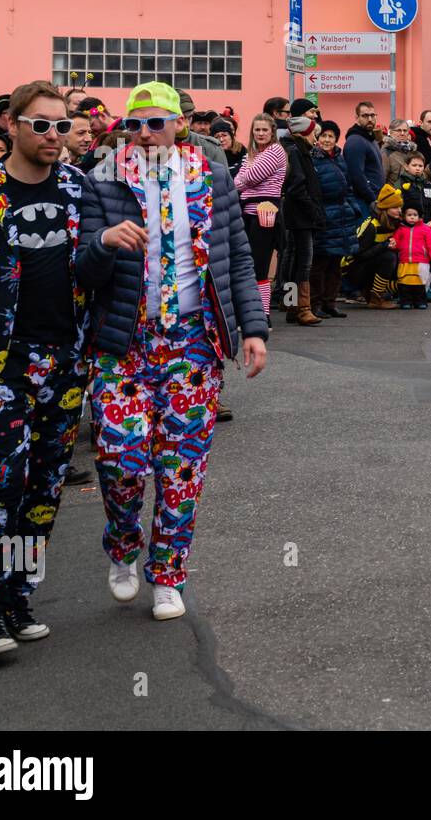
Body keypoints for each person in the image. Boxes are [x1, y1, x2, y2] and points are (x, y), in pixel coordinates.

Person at [77, 81, 267, 622]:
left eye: (155, 122)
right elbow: (84, 274)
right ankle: (123, 546)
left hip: (191, 339)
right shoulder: (103, 180)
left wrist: (253, 328)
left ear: (178, 125)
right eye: (133, 124)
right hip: (124, 340)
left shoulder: (211, 177)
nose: (143, 134)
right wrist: (103, 243)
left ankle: (167, 574)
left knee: (181, 467)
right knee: (119, 458)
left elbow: (238, 259)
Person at [0, 81, 91, 656]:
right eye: (42, 125)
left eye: (62, 125)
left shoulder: (81, 189)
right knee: (2, 481)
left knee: (45, 487)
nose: (54, 135)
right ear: (11, 125)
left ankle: (19, 595)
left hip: (66, 363)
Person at [233, 113, 287, 319]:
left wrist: (238, 183)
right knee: (247, 265)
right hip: (247, 213)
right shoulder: (250, 154)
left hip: (265, 213)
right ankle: (250, 312)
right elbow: (242, 178)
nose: (261, 133)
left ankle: (263, 315)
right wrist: (241, 181)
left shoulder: (275, 151)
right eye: (257, 130)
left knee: (259, 266)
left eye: (265, 130)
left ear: (272, 132)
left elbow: (249, 178)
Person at [309, 120, 361, 319]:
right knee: (319, 263)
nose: (327, 139)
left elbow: (347, 187)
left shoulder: (339, 158)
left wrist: (353, 207)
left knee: (335, 264)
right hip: (324, 215)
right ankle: (315, 304)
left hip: (341, 215)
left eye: (331, 136)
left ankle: (330, 303)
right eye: (323, 135)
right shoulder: (313, 159)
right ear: (317, 137)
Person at [279, 115, 326, 326]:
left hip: (297, 216)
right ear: (303, 134)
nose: (316, 139)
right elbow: (297, 186)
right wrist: (314, 210)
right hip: (301, 217)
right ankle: (303, 309)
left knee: (295, 261)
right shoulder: (297, 153)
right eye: (314, 134)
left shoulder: (296, 151)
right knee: (303, 263)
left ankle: (292, 306)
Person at [389, 204, 431, 309]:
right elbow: (397, 242)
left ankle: (420, 301)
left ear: (420, 217)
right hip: (404, 261)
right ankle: (406, 301)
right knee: (404, 283)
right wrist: (393, 244)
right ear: (404, 216)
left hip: (421, 261)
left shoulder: (425, 229)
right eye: (409, 215)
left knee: (420, 283)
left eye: (415, 215)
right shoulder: (400, 229)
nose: (412, 217)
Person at [343, 101, 383, 208]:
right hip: (364, 203)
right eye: (365, 116)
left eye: (372, 115)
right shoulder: (355, 141)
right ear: (357, 118)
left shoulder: (371, 140)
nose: (370, 119)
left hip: (375, 199)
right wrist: (372, 199)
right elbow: (356, 176)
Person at [175, 90, 228, 169]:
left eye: (189, 117)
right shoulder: (153, 146)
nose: (186, 123)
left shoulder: (210, 147)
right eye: (180, 118)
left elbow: (221, 180)